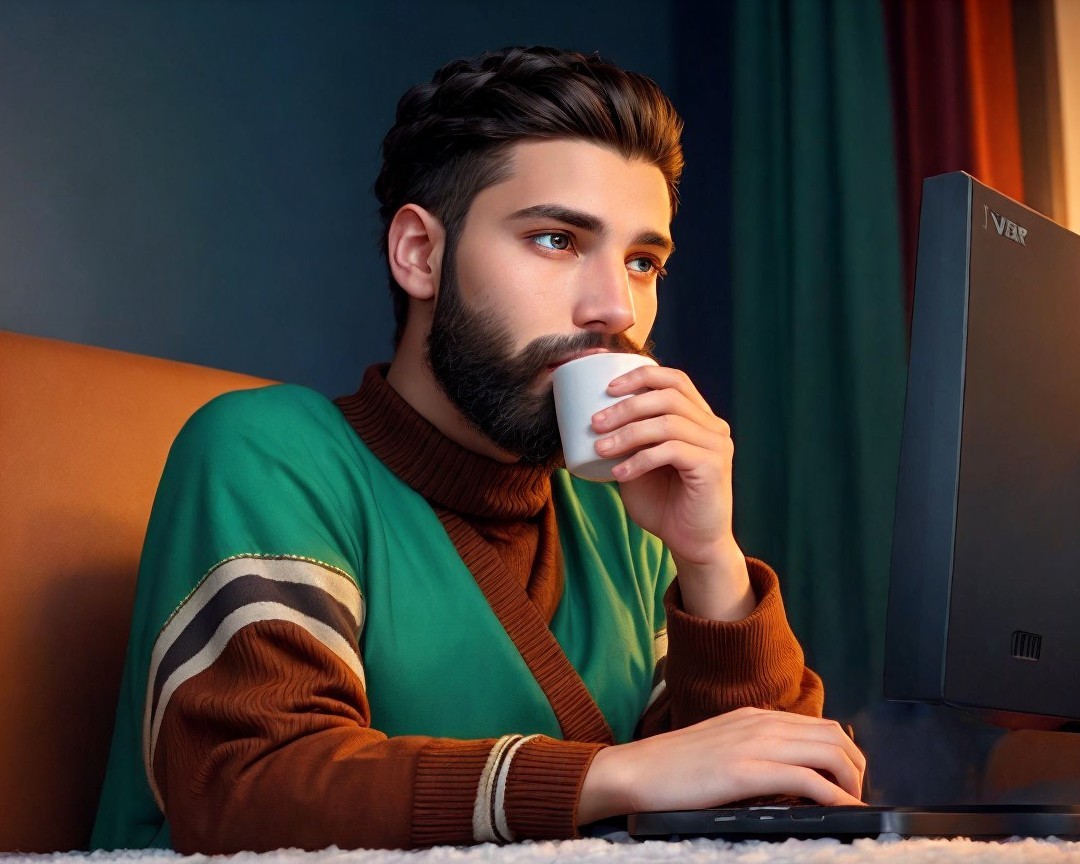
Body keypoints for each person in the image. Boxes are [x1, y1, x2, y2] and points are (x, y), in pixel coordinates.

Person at [91, 45, 865, 854]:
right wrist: (619, 775)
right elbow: (253, 784)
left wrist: (711, 559)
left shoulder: (628, 514)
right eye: (557, 240)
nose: (614, 308)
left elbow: (783, 809)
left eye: (644, 262)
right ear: (420, 254)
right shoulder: (270, 451)